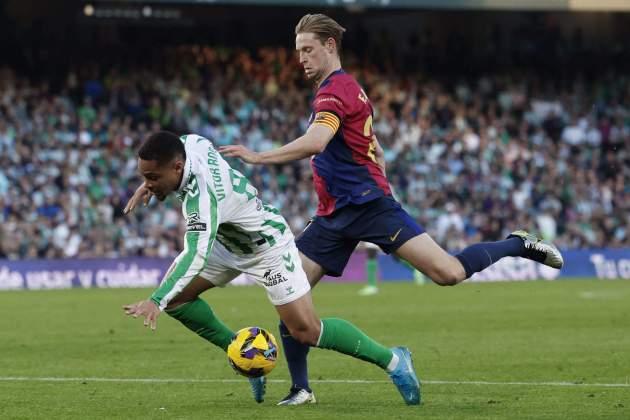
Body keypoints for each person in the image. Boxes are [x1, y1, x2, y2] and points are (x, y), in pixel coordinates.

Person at [218, 13, 564, 405]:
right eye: (298, 51)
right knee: (290, 296)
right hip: (334, 215)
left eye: (308, 49)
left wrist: (258, 157)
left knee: (447, 273)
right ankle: (301, 389)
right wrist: (377, 166)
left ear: (330, 46)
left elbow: (316, 143)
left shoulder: (335, 91)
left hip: (368, 206)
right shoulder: (346, 91)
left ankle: (517, 244)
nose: (301, 59)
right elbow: (373, 144)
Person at [122, 131, 421, 406]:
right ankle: (245, 354)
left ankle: (393, 360)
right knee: (178, 299)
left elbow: (195, 255)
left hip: (267, 248)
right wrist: (149, 186)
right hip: (227, 243)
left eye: (152, 177)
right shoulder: (191, 143)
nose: (148, 182)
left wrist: (155, 300)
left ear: (177, 168)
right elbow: (178, 148)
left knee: (306, 331)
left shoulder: (203, 199)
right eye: (144, 176)